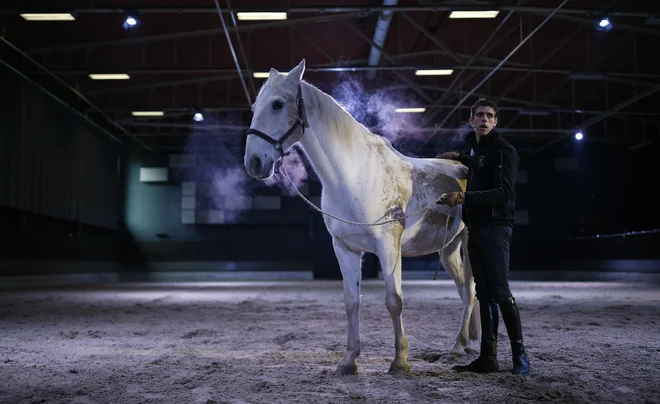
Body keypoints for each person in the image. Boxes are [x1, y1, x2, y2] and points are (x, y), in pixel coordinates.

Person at [437, 97, 530, 376]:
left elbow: (504, 194)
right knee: (485, 294)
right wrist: (459, 156)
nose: (485, 119)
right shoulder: (478, 152)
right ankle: (488, 357)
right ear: (472, 120)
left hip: (496, 228)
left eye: (490, 116)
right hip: (476, 229)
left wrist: (464, 197)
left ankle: (520, 356)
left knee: (501, 293)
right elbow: (478, 162)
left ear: (496, 121)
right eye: (480, 115)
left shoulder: (505, 151)